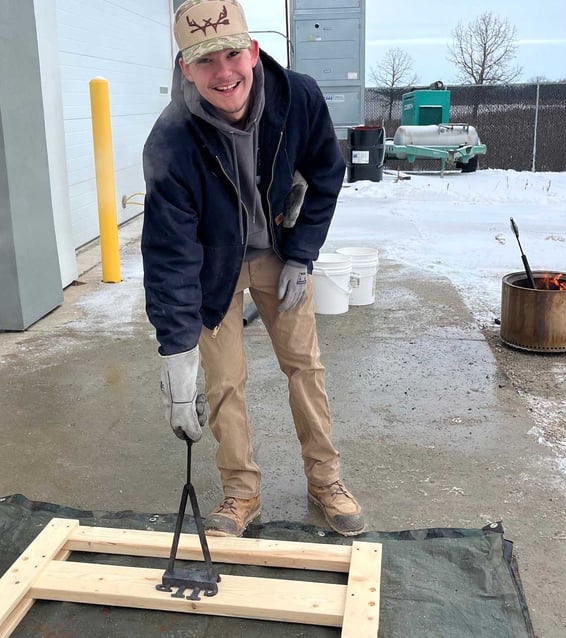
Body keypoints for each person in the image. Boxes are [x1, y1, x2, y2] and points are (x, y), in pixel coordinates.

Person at [141, 0, 365, 538]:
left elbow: (326, 175)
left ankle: (326, 480)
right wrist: (175, 351)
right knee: (222, 382)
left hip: (278, 254)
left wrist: (302, 254)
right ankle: (241, 494)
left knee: (304, 367)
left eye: (232, 53)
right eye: (204, 60)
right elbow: (169, 252)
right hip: (213, 268)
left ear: (254, 51)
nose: (223, 73)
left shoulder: (297, 98)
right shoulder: (171, 140)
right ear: (184, 69)